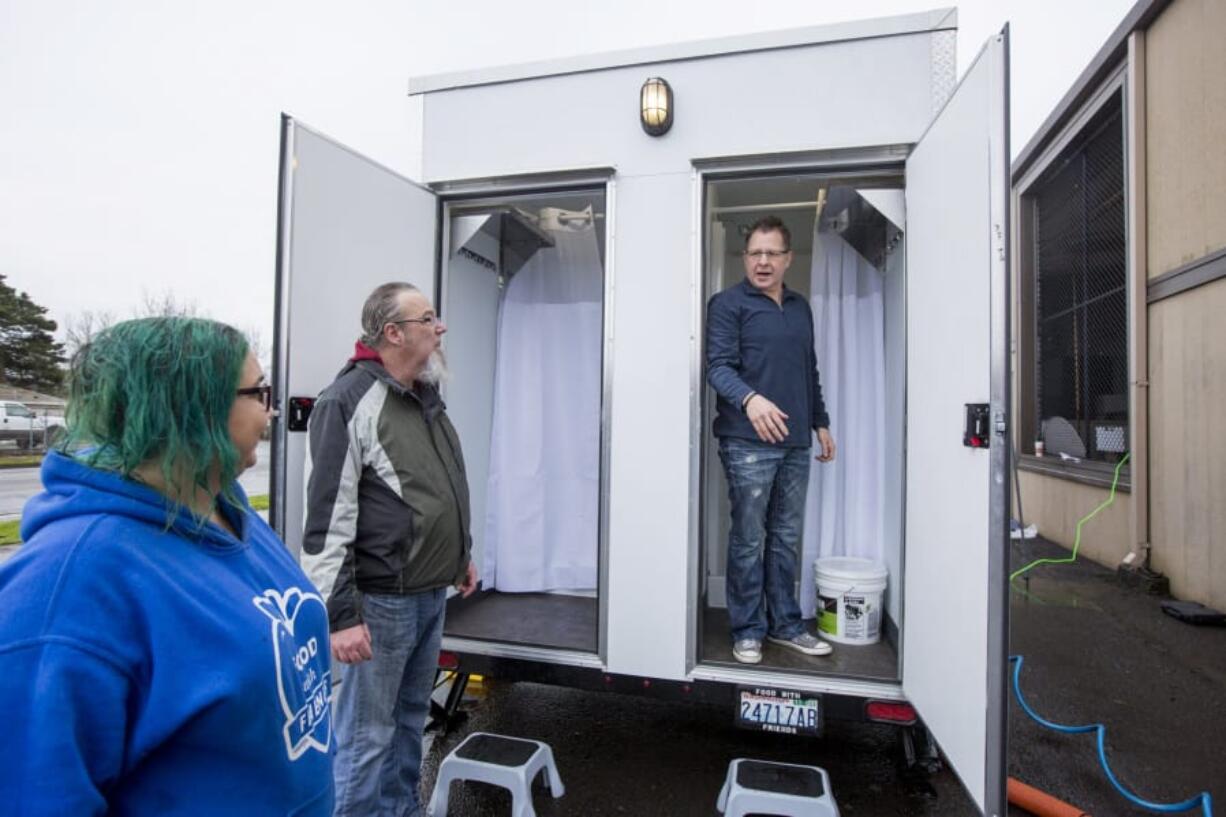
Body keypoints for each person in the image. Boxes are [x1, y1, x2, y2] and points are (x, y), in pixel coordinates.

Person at [0, 317, 334, 815]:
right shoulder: (69, 586)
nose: (272, 411)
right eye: (259, 392)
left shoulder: (223, 504)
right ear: (189, 408)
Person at [303, 282, 478, 817]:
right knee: (366, 739)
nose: (440, 327)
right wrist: (340, 617)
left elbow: (435, 490)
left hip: (429, 594)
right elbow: (327, 520)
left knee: (408, 725)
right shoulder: (348, 401)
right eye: (429, 319)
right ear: (393, 333)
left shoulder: (425, 397)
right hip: (381, 604)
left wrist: (460, 555)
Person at [706, 215, 838, 665]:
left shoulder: (800, 308)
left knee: (785, 536)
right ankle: (747, 630)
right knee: (748, 538)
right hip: (746, 442)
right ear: (745, 258)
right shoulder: (727, 304)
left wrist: (820, 421)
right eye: (755, 253)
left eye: (772, 254)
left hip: (796, 440)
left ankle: (785, 624)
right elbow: (717, 368)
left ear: (787, 259)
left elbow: (809, 370)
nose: (763, 262)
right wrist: (751, 400)